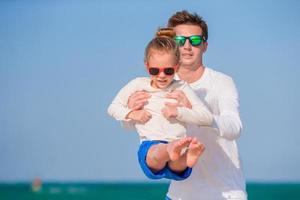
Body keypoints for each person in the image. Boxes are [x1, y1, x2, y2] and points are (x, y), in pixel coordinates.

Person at [127, 11, 247, 200]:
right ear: (172, 45)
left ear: (205, 45)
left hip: (225, 192)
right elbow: (147, 131)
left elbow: (234, 128)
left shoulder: (221, 82)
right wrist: (130, 112)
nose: (188, 46)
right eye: (180, 40)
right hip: (180, 194)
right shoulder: (158, 83)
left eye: (195, 41)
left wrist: (193, 112)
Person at [108, 28, 213, 181]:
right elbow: (113, 108)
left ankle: (187, 157)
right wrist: (132, 113)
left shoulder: (182, 87)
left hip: (177, 142)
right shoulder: (138, 84)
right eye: (155, 70)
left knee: (178, 165)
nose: (161, 76)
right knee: (156, 153)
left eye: (168, 71)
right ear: (146, 66)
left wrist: (179, 112)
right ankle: (174, 151)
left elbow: (207, 117)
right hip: (151, 142)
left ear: (177, 67)